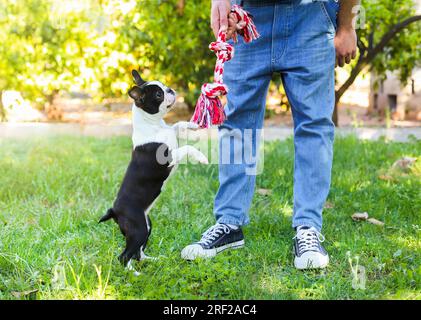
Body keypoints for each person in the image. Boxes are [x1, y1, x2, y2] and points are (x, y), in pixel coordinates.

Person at [181, 0, 359, 269]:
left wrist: (346, 26)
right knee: (237, 122)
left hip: (309, 17)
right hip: (246, 17)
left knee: (314, 124)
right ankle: (229, 223)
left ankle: (308, 228)